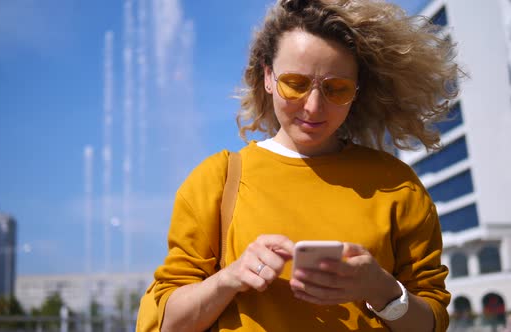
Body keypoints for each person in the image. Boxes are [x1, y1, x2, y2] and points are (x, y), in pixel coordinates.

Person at [153, 0, 459, 331]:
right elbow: (166, 324)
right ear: (268, 77)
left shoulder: (397, 185)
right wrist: (229, 279)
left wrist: (381, 289)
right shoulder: (218, 179)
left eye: (336, 89)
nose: (313, 107)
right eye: (296, 84)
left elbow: (431, 323)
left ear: (357, 91)